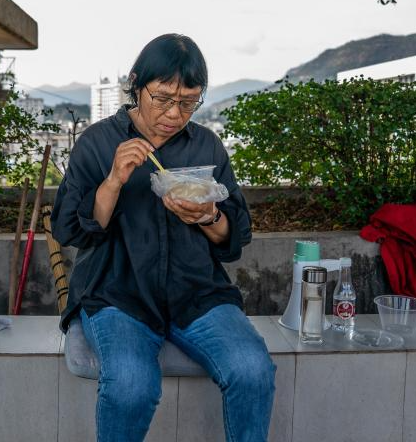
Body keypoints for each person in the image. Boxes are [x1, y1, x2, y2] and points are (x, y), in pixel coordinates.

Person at [51, 33, 276, 442]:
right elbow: (69, 230)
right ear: (136, 84)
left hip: (197, 292)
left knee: (252, 369)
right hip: (118, 294)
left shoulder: (205, 145)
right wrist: (113, 181)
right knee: (131, 385)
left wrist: (209, 216)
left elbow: (235, 234)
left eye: (188, 102)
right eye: (163, 98)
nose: (174, 114)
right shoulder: (98, 143)